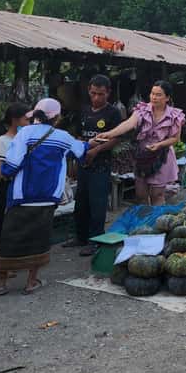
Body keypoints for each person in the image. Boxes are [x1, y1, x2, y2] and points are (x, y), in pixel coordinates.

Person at [0, 98, 88, 296]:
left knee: (11, 237)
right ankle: (31, 281)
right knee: (39, 238)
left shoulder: (24, 133)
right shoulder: (63, 137)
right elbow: (81, 151)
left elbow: (11, 165)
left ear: (35, 115)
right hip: (48, 196)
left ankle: (0, 283)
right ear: (57, 118)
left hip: (22, 195)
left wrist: (5, 175)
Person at [93, 81, 184, 206]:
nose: (154, 97)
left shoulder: (174, 115)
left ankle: (156, 218)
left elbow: (175, 139)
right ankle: (144, 217)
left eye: (158, 95)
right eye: (152, 93)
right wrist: (109, 134)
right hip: (142, 157)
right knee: (140, 195)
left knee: (157, 194)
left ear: (167, 98)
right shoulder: (142, 110)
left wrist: (159, 145)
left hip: (162, 157)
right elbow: (128, 124)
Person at [63, 75, 122, 256]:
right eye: (94, 93)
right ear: (89, 90)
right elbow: (78, 136)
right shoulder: (83, 110)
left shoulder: (113, 113)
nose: (96, 97)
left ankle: (96, 240)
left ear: (108, 93)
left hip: (101, 165)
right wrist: (78, 156)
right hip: (83, 164)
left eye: (101, 94)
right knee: (81, 202)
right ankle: (80, 236)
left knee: (98, 204)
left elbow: (116, 139)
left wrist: (96, 150)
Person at [0, 104, 29, 244]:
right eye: (26, 119)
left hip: (24, 186)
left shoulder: (28, 139)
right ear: (15, 120)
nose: (29, 123)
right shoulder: (2, 141)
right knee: (3, 221)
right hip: (8, 186)